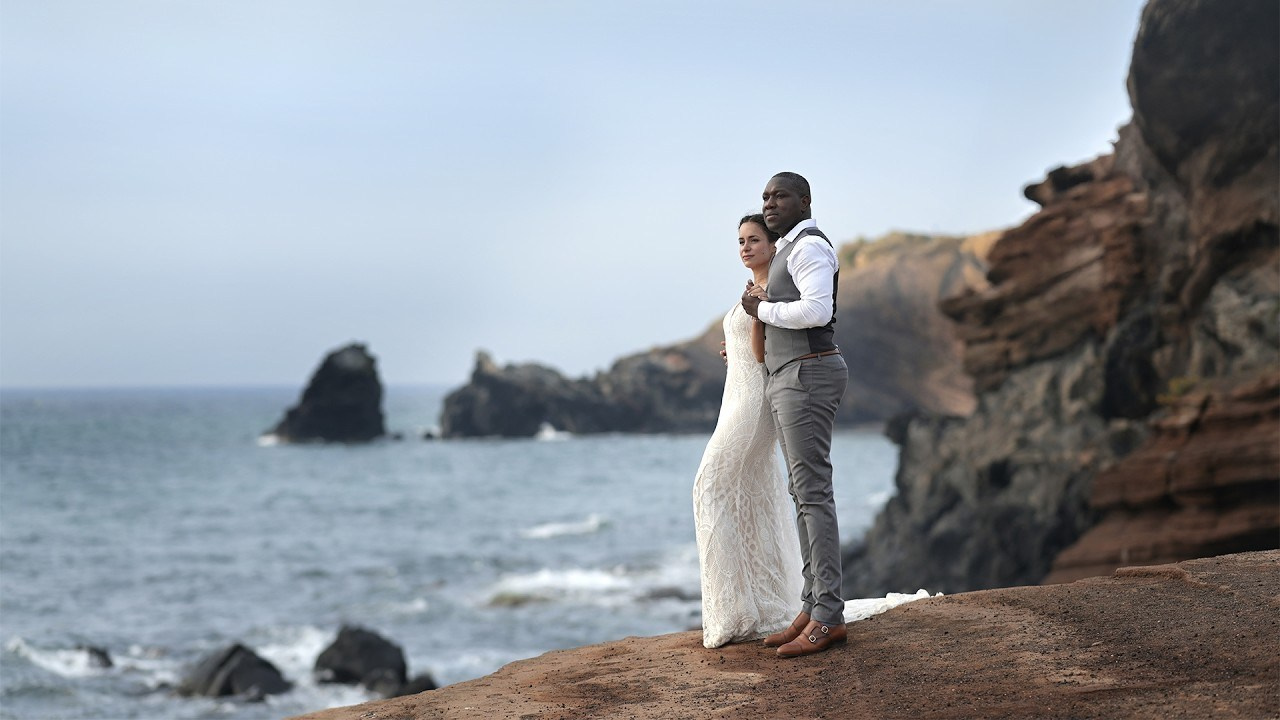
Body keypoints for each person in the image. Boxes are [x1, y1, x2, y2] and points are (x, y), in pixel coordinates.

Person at [741, 172, 850, 658]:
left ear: (804, 201)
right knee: (802, 493)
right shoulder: (787, 248)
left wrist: (761, 310)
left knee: (813, 494)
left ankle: (829, 617)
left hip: (808, 373)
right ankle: (812, 606)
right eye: (765, 196)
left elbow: (816, 311)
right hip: (792, 373)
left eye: (780, 196)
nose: (770, 203)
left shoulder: (809, 247)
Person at [692, 214, 803, 649]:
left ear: (774, 245)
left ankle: (732, 610)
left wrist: (754, 319)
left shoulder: (771, 290)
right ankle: (757, 604)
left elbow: (762, 352)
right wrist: (734, 348)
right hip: (736, 394)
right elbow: (751, 347)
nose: (745, 247)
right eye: (740, 241)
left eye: (754, 239)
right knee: (746, 493)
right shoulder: (753, 289)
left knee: (709, 485)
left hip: (754, 402)